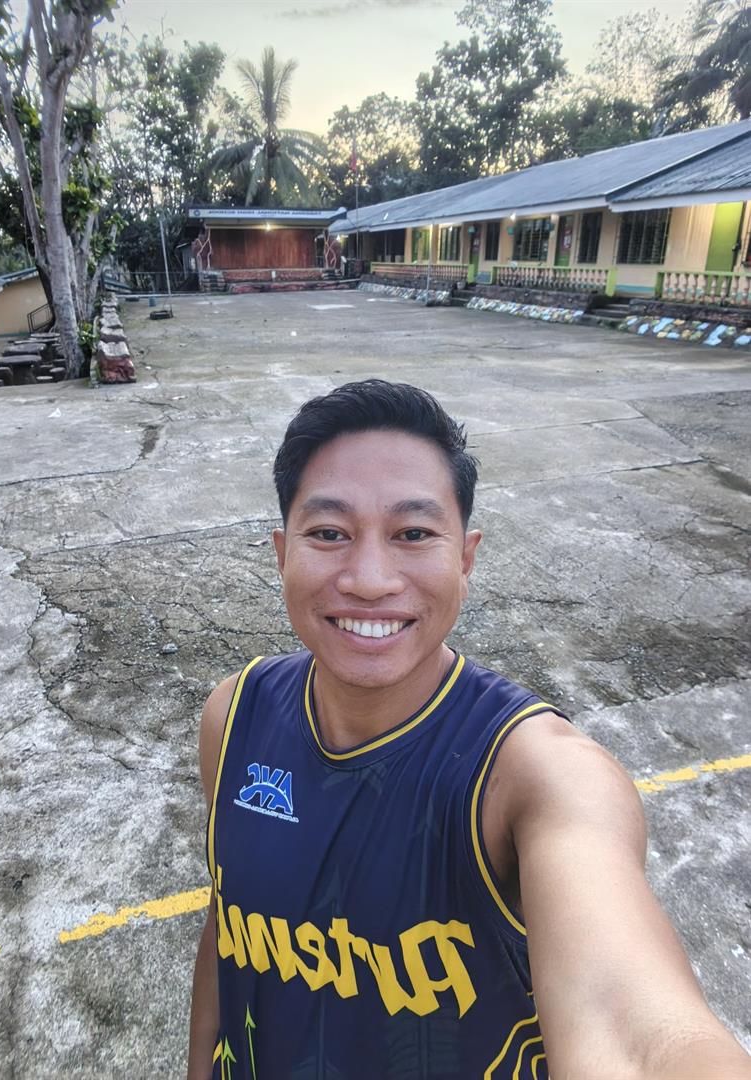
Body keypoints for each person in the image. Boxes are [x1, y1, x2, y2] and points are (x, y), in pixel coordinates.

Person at [188, 379, 750, 1080]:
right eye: (329, 534)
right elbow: (228, 923)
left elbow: (631, 1031)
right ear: (281, 553)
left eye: (413, 534)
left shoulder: (534, 775)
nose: (369, 579)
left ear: (465, 558)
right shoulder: (235, 716)